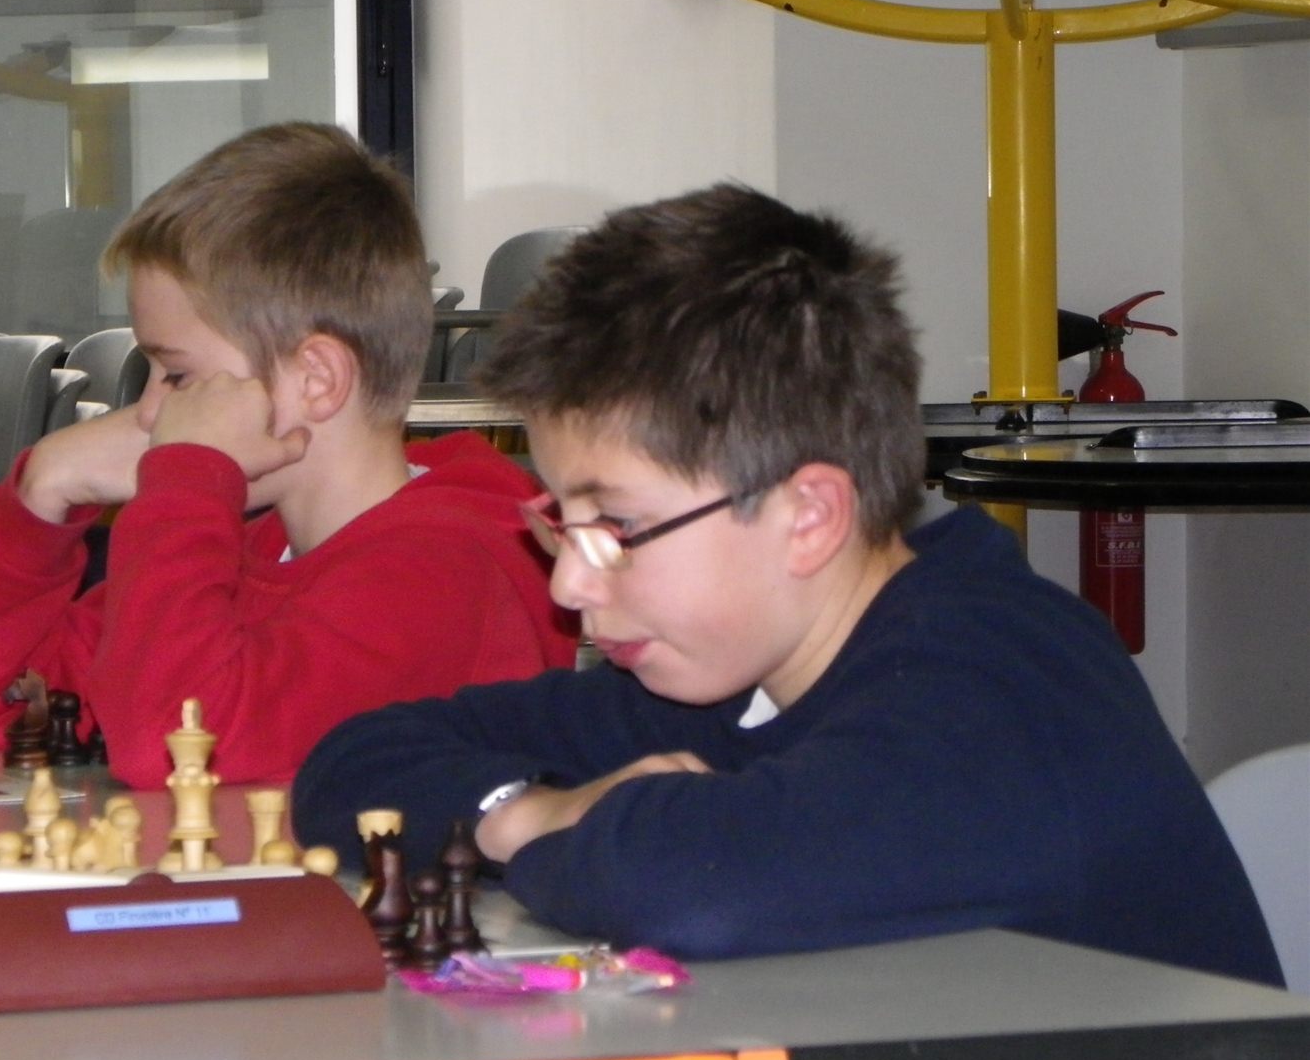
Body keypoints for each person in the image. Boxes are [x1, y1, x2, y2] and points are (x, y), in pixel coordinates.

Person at [292, 184, 1283, 987]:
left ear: (807, 515)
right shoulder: (729, 673)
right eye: (561, 520)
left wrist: (536, 824)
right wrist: (519, 807)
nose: (568, 582)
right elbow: (354, 766)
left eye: (616, 527)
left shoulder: (1003, 685)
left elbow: (694, 887)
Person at [0, 123, 576, 787]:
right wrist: (41, 497)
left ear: (315, 379)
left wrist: (186, 480)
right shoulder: (247, 551)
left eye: (176, 375)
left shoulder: (442, 573)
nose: (148, 413)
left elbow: (171, 751)